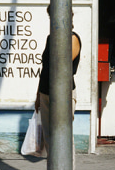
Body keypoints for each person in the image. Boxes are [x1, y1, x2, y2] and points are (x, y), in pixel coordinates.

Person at [34, 9, 81, 157]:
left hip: (63, 93)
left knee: (63, 135)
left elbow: (63, 64)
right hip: (45, 91)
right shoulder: (50, 38)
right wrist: (38, 95)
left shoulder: (72, 38)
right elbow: (45, 68)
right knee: (49, 137)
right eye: (51, 16)